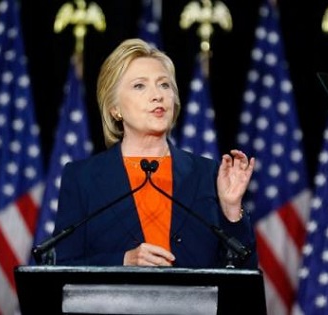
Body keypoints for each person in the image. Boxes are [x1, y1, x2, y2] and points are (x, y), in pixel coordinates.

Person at [51, 38, 258, 269]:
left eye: (164, 85)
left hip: (190, 305)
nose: (157, 95)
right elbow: (64, 267)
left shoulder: (208, 174)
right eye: (140, 86)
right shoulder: (83, 178)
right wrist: (123, 261)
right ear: (115, 108)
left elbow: (243, 274)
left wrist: (231, 210)